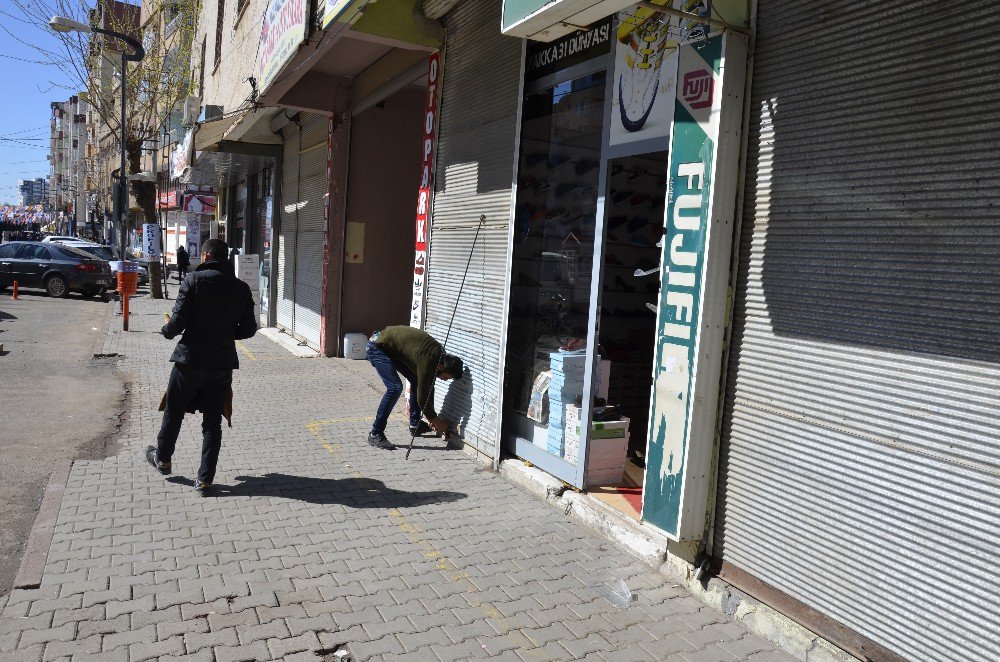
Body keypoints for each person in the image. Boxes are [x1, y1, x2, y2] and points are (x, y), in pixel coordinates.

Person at [146, 238, 257, 494]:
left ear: (205, 256)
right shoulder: (241, 288)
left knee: (173, 411)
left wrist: (166, 330)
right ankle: (205, 479)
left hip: (190, 361)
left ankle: (163, 459)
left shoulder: (192, 281)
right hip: (221, 365)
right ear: (225, 258)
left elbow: (177, 323)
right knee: (212, 423)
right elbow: (249, 329)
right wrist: (225, 335)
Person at [366, 326, 463, 449]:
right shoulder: (428, 359)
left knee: (417, 381)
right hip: (377, 347)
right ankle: (375, 433)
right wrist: (435, 419)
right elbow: (422, 397)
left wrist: (431, 417)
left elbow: (429, 387)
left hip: (390, 349)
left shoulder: (439, 357)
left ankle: (415, 424)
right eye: (447, 377)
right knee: (395, 387)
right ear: (441, 367)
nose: (445, 380)